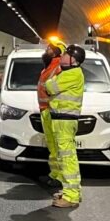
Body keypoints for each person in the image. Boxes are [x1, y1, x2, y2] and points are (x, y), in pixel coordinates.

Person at [43, 43, 86, 208]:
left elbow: (49, 87)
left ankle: (71, 196)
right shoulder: (69, 73)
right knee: (64, 156)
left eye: (66, 55)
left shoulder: (73, 74)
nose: (62, 57)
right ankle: (71, 191)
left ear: (73, 60)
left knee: (67, 158)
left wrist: (52, 80)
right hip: (61, 120)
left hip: (65, 120)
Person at [37, 40, 66, 191]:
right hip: (46, 110)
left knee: (58, 146)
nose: (46, 51)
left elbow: (56, 88)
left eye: (49, 49)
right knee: (53, 147)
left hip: (53, 110)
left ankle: (60, 177)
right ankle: (54, 174)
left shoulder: (59, 67)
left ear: (55, 53)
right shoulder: (49, 67)